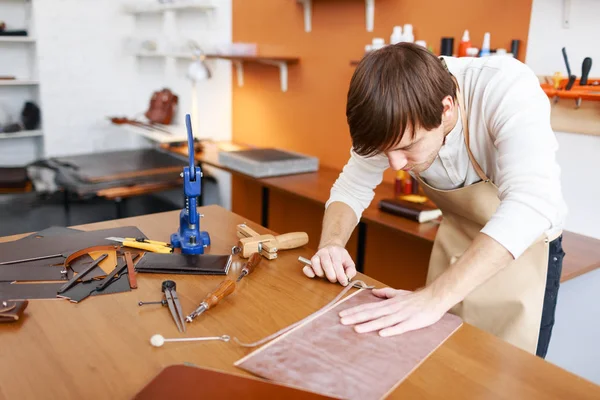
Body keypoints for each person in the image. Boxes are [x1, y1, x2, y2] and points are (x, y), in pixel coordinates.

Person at [303, 42, 567, 358]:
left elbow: (531, 204)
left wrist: (434, 298)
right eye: (385, 152)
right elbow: (351, 188)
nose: (396, 165)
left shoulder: (504, 87)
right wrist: (332, 243)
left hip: (526, 256)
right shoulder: (399, 104)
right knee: (443, 365)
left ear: (447, 108)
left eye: (408, 147)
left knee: (505, 375)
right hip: (456, 245)